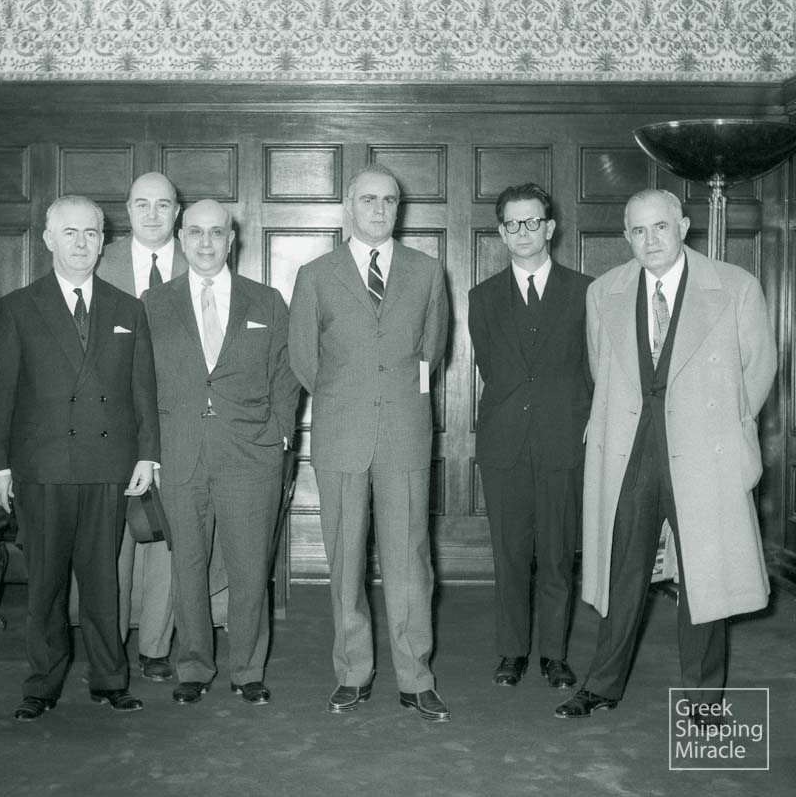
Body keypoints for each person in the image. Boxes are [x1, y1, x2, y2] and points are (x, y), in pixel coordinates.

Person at [556, 189, 776, 719]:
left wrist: (727, 435)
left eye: (660, 227)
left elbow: (758, 372)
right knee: (620, 570)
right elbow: (598, 367)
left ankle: (702, 700)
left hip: (706, 451)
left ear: (683, 224)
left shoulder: (735, 287)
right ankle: (602, 685)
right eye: (637, 230)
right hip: (630, 452)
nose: (649, 240)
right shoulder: (604, 291)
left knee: (705, 577)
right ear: (625, 235)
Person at [0, 195, 160, 721]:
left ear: (104, 241)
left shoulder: (129, 308)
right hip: (43, 467)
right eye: (72, 233)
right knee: (47, 583)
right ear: (48, 239)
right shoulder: (17, 306)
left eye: (92, 233)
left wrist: (148, 454)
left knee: (105, 580)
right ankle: (42, 683)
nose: (82, 243)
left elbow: (143, 390)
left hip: (109, 465)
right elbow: (0, 395)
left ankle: (110, 679)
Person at [288, 164, 450, 722]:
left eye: (389, 200)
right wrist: (350, 397)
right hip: (341, 433)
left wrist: (394, 398)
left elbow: (433, 352)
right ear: (347, 207)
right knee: (346, 560)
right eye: (368, 199)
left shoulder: (427, 272)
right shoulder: (315, 274)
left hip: (405, 433)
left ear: (398, 208)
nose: (379, 210)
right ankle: (352, 673)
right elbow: (304, 361)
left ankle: (416, 677)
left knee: (411, 562)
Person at [144, 199, 300, 706]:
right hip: (180, 453)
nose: (206, 243)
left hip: (251, 456)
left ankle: (248, 669)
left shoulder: (267, 301)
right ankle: (193, 666)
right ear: (181, 238)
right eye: (195, 233)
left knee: (251, 567)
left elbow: (287, 371)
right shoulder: (153, 302)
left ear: (232, 239)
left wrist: (279, 432)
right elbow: (140, 382)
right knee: (187, 565)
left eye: (216, 233)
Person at [468, 183, 592, 689]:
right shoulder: (482, 297)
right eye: (513, 224)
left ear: (550, 227)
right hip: (504, 445)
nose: (523, 232)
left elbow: (592, 367)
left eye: (533, 222)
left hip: (563, 440)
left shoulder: (585, 291)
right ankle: (512, 651)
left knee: (559, 555)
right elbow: (491, 368)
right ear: (501, 232)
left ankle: (555, 655)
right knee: (511, 554)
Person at [90, 171, 186, 682]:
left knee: (168, 534)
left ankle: (155, 646)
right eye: (142, 204)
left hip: (176, 422)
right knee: (111, 539)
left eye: (163, 205)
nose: (153, 214)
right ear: (126, 210)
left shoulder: (201, 262)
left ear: (177, 211)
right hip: (109, 424)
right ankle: (110, 640)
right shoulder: (96, 263)